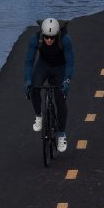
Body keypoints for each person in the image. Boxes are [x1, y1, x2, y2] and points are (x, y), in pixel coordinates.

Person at [25, 17, 74, 153]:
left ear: (57, 35)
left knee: (60, 99)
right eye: (46, 37)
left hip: (60, 68)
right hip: (43, 66)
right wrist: (27, 80)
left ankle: (62, 134)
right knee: (34, 88)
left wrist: (67, 81)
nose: (49, 40)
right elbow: (29, 61)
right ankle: (39, 116)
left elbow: (70, 62)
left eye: (52, 38)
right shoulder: (35, 38)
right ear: (42, 34)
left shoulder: (65, 39)